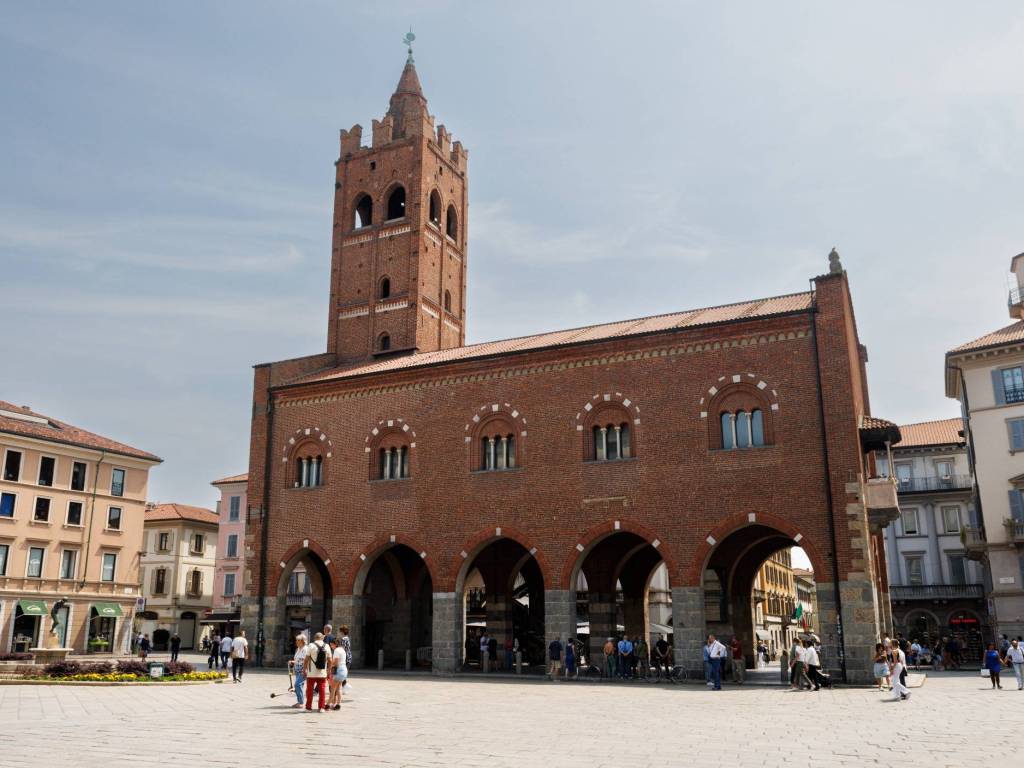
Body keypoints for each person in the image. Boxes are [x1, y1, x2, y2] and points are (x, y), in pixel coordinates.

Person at [304, 632, 330, 712]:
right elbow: (330, 660)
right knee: (322, 690)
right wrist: (328, 670)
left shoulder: (311, 645)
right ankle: (321, 707)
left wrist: (304, 669)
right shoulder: (327, 646)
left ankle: (308, 707)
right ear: (322, 638)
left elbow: (306, 659)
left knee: (310, 690)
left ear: (315, 638)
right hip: (322, 672)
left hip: (311, 672)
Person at [328, 636, 347, 710]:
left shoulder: (336, 650)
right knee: (338, 689)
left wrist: (329, 665)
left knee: (333, 689)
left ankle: (328, 704)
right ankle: (338, 704)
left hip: (339, 670)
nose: (331, 647)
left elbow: (336, 662)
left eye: (331, 645)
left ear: (334, 644)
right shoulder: (342, 650)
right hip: (344, 670)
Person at [288, 634, 308, 709]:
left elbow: (304, 660)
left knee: (297, 685)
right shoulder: (298, 649)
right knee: (299, 686)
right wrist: (292, 662)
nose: (296, 642)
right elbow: (297, 659)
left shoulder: (305, 649)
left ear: (303, 641)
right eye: (296, 640)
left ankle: (301, 703)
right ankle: (300, 701)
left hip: (303, 670)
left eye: (298, 640)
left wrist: (293, 662)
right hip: (297, 670)